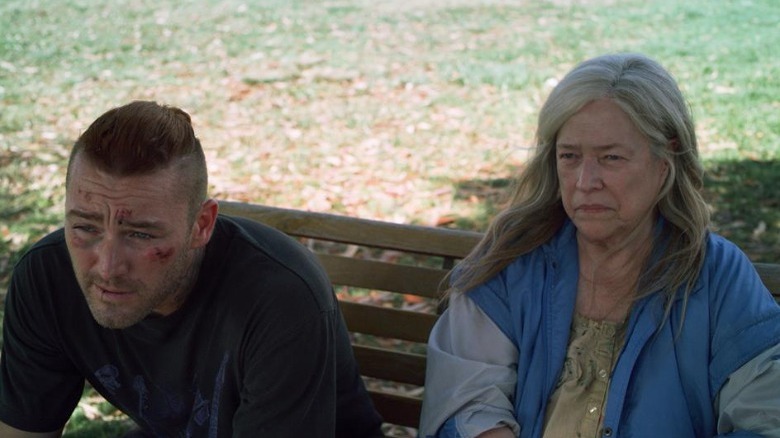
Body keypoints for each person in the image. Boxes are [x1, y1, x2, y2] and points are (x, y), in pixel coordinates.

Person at [419, 53, 780, 437]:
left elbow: (765, 417)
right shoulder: (513, 264)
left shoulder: (716, 277)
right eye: (570, 157)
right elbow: (467, 400)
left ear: (665, 161)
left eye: (611, 157)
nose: (585, 181)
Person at [0, 101, 384, 437]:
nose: (108, 266)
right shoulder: (47, 277)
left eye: (140, 234)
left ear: (201, 225)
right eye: (85, 227)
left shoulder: (280, 299)